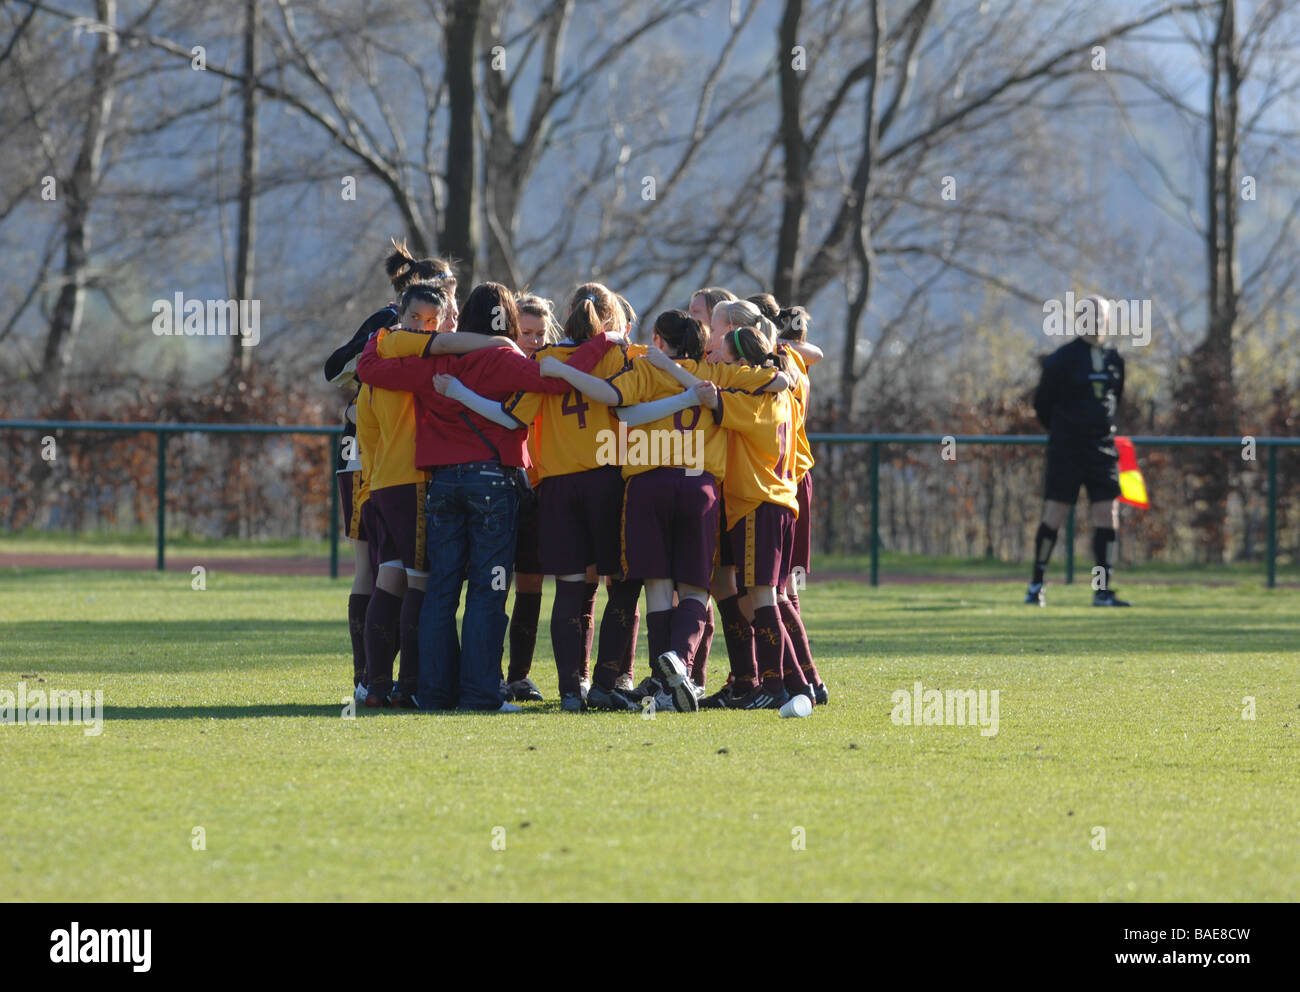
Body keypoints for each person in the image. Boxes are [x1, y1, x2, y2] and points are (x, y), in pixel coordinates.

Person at [356, 284, 619, 711]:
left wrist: (378, 338)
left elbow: (368, 370)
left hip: (441, 484)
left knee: (441, 588)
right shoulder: (507, 357)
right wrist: (602, 340)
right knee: (489, 589)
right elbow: (555, 379)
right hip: (492, 484)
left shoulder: (436, 360)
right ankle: (480, 692)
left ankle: (437, 692)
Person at [1026, 293, 1129, 607]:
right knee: (1055, 514)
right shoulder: (1061, 360)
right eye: (1089, 315)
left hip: (1102, 449)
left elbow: (1115, 400)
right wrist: (1067, 430)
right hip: (1067, 449)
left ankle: (1102, 589)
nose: (1096, 321)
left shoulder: (1115, 360)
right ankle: (1036, 585)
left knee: (1107, 514)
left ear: (1108, 320)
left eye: (1101, 316)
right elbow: (1042, 405)